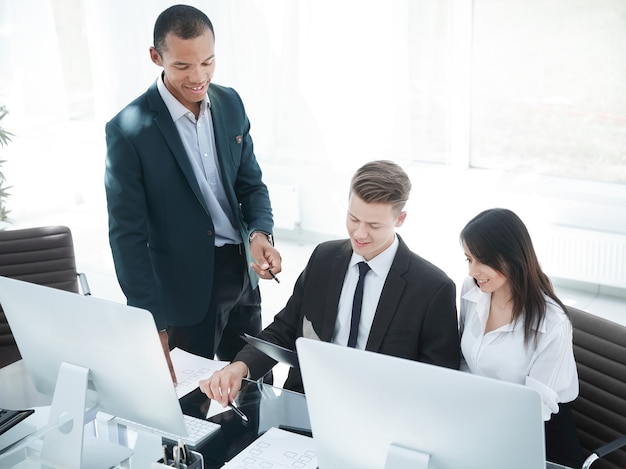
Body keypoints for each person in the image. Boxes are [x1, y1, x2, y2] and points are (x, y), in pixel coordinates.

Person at [104, 4, 281, 382]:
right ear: (156, 57)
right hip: (184, 293)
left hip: (242, 273)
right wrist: (150, 323)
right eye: (183, 66)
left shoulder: (230, 102)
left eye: (208, 62)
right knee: (189, 403)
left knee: (253, 387)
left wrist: (259, 234)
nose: (198, 76)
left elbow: (250, 184)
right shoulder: (128, 131)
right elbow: (127, 237)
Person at [200, 160, 460, 405]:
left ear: (400, 219)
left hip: (380, 417)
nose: (359, 234)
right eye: (353, 219)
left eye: (373, 225)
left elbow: (437, 383)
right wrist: (240, 366)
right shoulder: (324, 258)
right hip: (306, 404)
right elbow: (286, 329)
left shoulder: (432, 289)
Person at [459, 208, 583, 468]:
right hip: (479, 423)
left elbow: (534, 411)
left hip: (538, 439)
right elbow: (464, 363)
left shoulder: (552, 323)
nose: (473, 271)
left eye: (481, 260)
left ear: (511, 257)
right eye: (468, 259)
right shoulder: (472, 290)